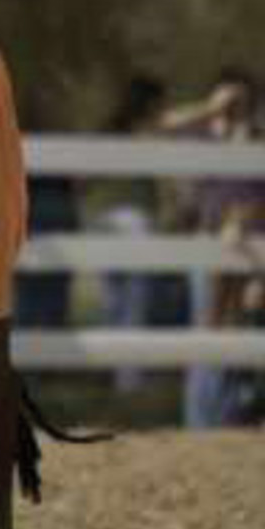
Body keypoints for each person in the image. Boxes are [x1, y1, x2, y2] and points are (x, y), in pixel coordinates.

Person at [157, 67, 265, 427]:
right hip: (209, 238)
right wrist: (210, 109)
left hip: (246, 242)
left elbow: (260, 198)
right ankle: (201, 421)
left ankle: (225, 418)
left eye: (241, 98)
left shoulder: (256, 137)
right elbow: (164, 125)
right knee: (207, 325)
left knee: (235, 329)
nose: (235, 105)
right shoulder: (204, 132)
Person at [87, 74, 167, 392]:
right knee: (134, 300)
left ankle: (110, 371)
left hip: (104, 219)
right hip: (133, 220)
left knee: (113, 300)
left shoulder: (107, 131)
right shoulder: (144, 130)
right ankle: (128, 378)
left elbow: (84, 181)